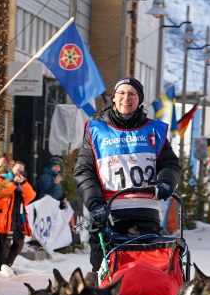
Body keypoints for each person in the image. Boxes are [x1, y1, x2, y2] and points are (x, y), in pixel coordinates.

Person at [74, 77, 180, 272]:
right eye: (121, 93)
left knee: (146, 269)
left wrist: (166, 181)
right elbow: (84, 171)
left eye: (132, 93)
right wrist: (95, 204)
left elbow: (170, 164)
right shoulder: (96, 130)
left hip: (145, 211)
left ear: (139, 99)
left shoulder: (154, 130)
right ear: (114, 98)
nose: (126, 98)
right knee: (104, 269)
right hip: (108, 212)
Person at [0, 161, 36, 274]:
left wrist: (23, 183)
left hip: (17, 217)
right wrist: (13, 184)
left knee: (19, 242)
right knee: (5, 244)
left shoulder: (22, 183)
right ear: (12, 169)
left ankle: (7, 266)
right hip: (3, 217)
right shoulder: (2, 178)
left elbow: (31, 196)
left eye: (21, 171)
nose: (19, 173)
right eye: (17, 170)